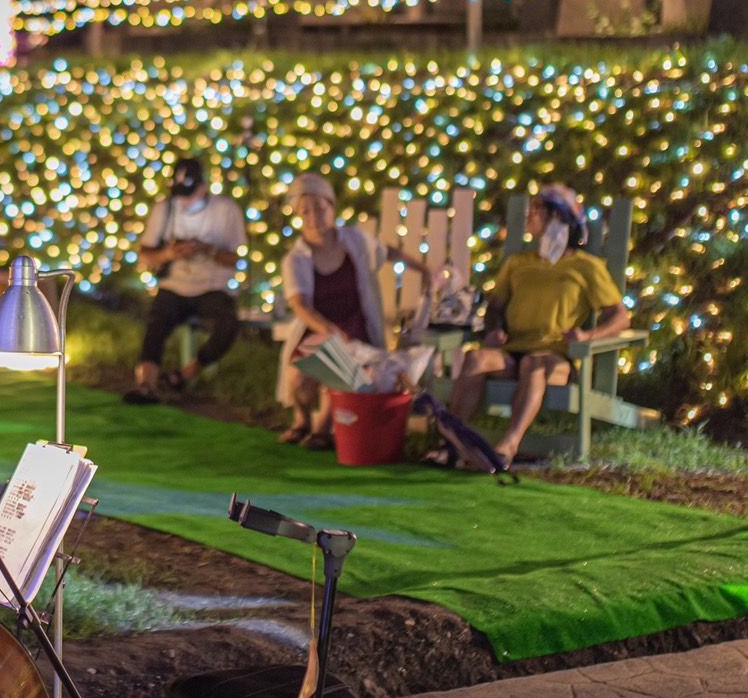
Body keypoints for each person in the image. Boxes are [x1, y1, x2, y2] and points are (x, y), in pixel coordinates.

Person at [448, 184, 629, 466]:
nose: (529, 216)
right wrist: (494, 328)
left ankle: (508, 445)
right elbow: (495, 306)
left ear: (559, 217)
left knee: (534, 363)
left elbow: (620, 316)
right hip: (511, 352)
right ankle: (452, 444)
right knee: (476, 358)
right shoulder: (518, 262)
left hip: (555, 356)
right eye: (530, 209)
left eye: (538, 209)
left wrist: (588, 335)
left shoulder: (587, 266)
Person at [276, 173, 433, 448]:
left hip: (354, 325)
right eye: (306, 211)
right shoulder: (296, 258)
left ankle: (323, 430)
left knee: (341, 365)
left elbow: (388, 252)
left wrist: (423, 269)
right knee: (299, 372)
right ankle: (301, 421)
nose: (314, 216)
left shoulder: (354, 241)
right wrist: (329, 330)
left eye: (320, 208)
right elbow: (299, 304)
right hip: (317, 326)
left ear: (332, 207)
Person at [123, 157, 247, 405]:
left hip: (212, 287)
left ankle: (184, 374)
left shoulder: (225, 209)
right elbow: (146, 254)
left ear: (204, 186)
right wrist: (170, 253)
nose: (184, 200)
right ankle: (146, 383)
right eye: (180, 193)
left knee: (229, 323)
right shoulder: (165, 209)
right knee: (156, 321)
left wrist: (207, 250)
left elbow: (236, 258)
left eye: (190, 194)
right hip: (174, 286)